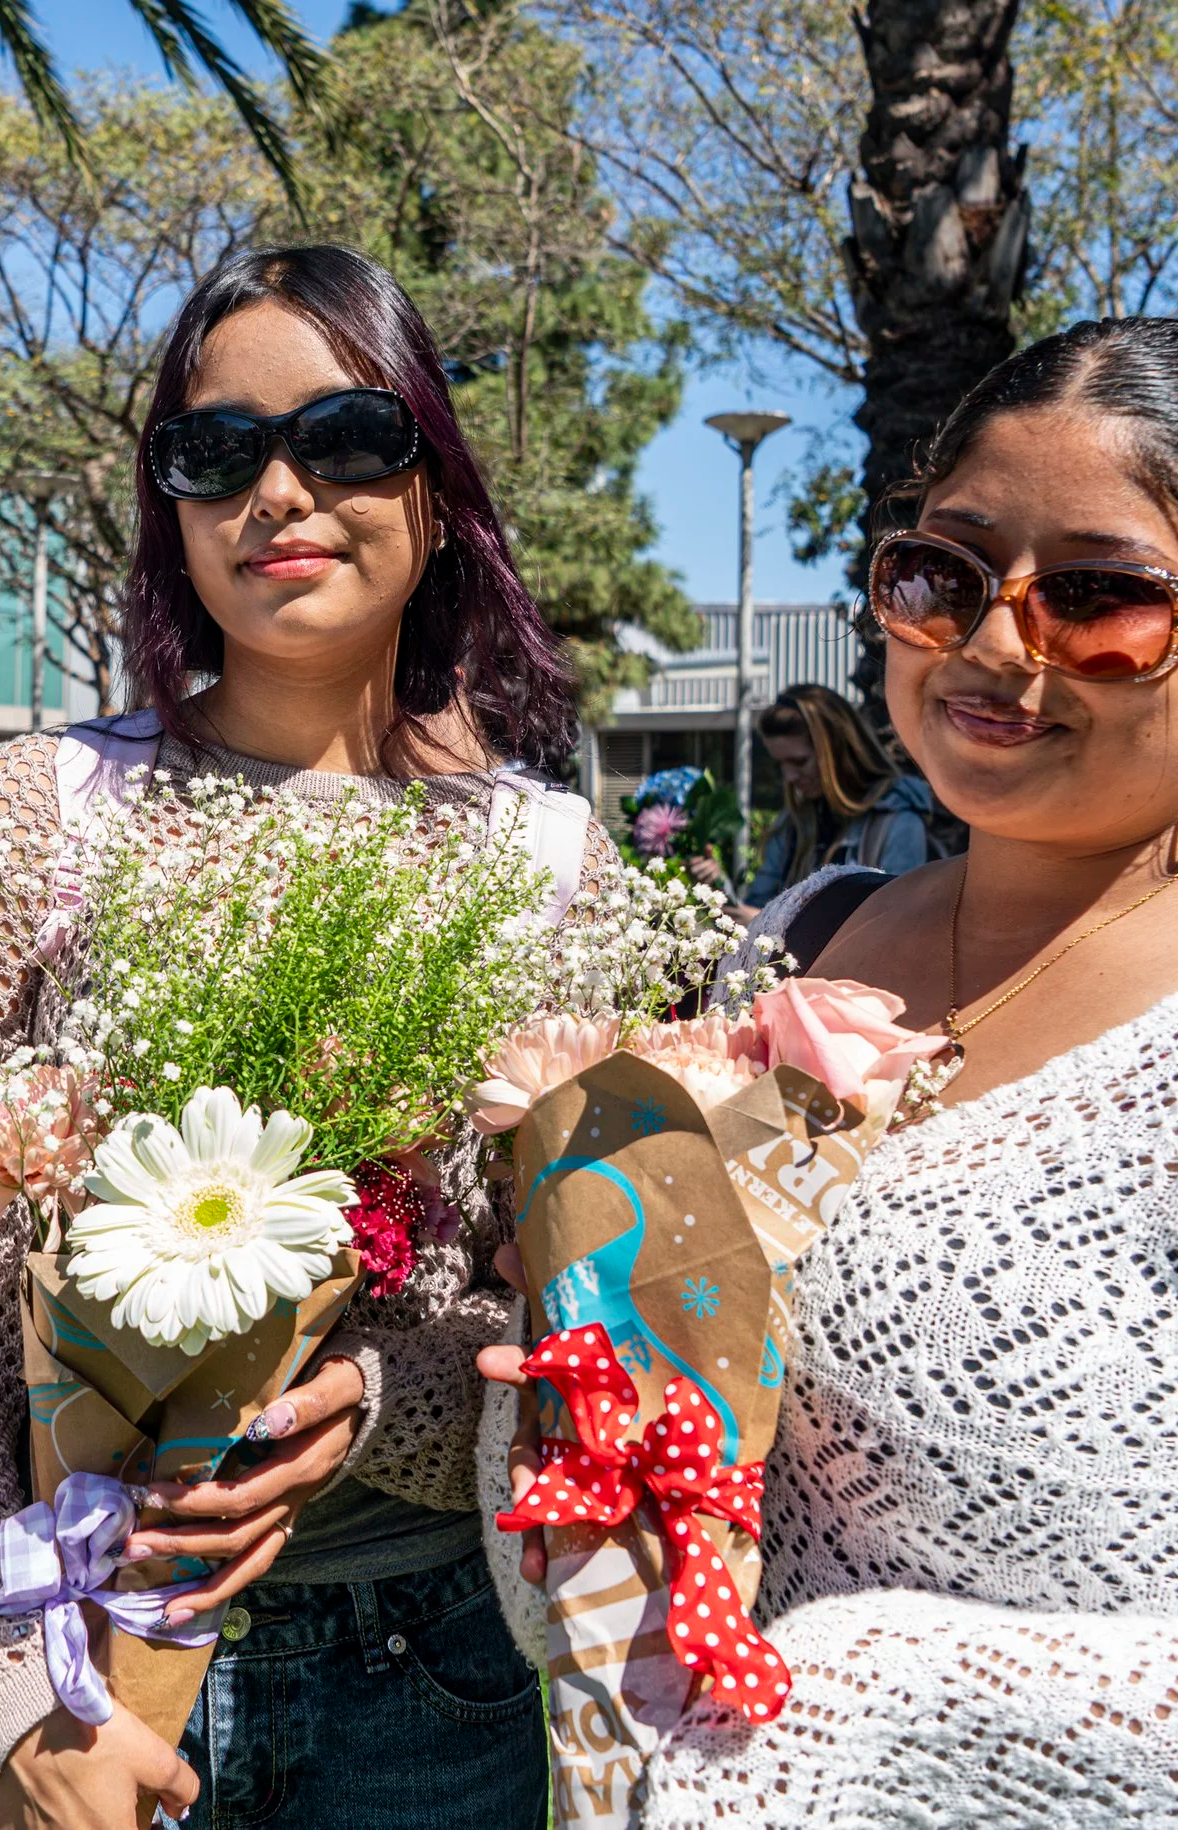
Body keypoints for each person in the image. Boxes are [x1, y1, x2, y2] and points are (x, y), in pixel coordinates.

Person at [0, 243, 625, 1830]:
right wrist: (8, 1700)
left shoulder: (552, 863)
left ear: (435, 488)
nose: (278, 492)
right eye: (214, 451)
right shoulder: (39, 810)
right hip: (68, 1643)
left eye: (345, 437)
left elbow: (574, 1317)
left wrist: (374, 1399)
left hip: (423, 1675)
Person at [489, 314, 1178, 1825]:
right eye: (942, 574)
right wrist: (558, 1379)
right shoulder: (800, 935)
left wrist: (856, 1703)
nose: (992, 648)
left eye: (1098, 597)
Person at [700, 683, 933, 916]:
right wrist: (718, 886)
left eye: (799, 761)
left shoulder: (898, 823)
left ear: (836, 751)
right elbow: (758, 906)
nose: (789, 776)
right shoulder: (794, 823)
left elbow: (898, 921)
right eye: (780, 764)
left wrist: (767, 925)